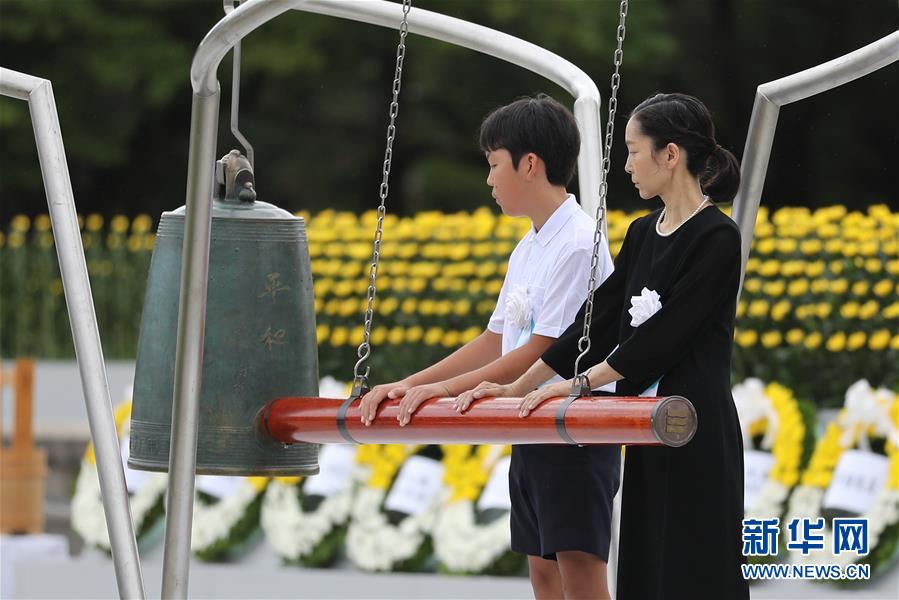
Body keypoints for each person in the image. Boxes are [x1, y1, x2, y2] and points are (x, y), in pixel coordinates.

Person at [461, 92, 749, 599]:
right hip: (645, 426)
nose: (627, 165)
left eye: (635, 151)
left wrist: (577, 383)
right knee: (645, 563)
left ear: (671, 155)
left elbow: (664, 338)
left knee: (696, 565)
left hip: (694, 423)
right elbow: (592, 323)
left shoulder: (717, 237)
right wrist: (524, 385)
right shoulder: (641, 233)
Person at [359, 94, 620, 599]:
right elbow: (496, 339)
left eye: (493, 164)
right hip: (529, 424)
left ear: (529, 164)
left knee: (581, 577)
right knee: (544, 575)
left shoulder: (577, 243)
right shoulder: (529, 245)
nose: (489, 179)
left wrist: (449, 389)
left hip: (574, 429)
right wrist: (411, 384)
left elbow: (545, 350)